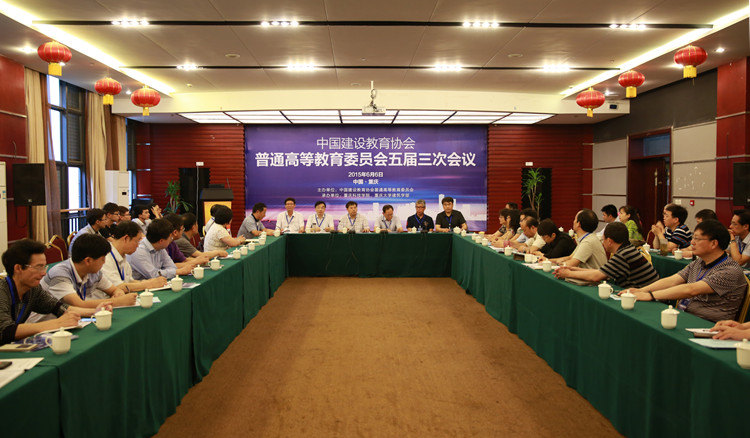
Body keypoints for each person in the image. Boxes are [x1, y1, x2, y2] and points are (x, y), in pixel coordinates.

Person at [620, 220, 746, 323]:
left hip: (708, 325)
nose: (692, 242)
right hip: (686, 316)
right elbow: (673, 280)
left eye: (697, 239)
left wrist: (650, 295)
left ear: (714, 243)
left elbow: (691, 290)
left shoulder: (730, 270)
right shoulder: (699, 262)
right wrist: (641, 291)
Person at [0, 239, 111, 345]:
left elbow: (59, 308)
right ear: (18, 268)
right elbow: (6, 330)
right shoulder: (2, 290)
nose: (44, 273)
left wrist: (95, 312)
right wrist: (57, 323)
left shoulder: (33, 290)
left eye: (44, 267)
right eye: (38, 267)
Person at [29, 234, 136, 323]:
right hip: (43, 326)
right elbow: (78, 304)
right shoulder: (60, 274)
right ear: (88, 261)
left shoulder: (93, 271)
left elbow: (114, 289)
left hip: (71, 320)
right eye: (102, 259)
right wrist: (118, 302)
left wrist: (118, 294)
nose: (104, 263)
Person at [555, 222, 659, 288]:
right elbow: (600, 271)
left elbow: (596, 276)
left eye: (603, 239)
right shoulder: (628, 249)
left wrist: (568, 274)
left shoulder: (623, 255)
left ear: (609, 241)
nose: (602, 243)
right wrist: (572, 269)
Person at [98, 221, 168, 294]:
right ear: (126, 238)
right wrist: (149, 284)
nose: (138, 245)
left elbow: (129, 281)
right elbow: (117, 287)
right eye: (137, 241)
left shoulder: (122, 255)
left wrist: (148, 282)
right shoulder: (105, 257)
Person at [128, 218, 199, 280]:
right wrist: (179, 271)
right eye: (170, 237)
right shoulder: (139, 251)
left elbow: (171, 267)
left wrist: (171, 272)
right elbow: (153, 275)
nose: (171, 240)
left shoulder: (160, 247)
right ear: (161, 241)